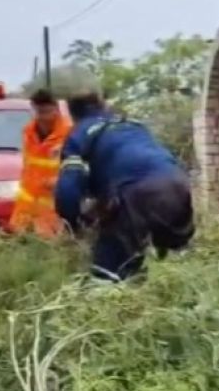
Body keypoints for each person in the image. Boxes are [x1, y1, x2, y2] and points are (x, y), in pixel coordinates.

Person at [53, 90, 195, 283]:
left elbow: (68, 190)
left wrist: (73, 222)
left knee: (107, 274)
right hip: (178, 183)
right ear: (103, 105)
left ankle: (105, 303)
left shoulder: (79, 134)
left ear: (71, 113)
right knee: (174, 264)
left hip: (136, 191)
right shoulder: (134, 126)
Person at [8, 89, 72, 238]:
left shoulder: (69, 133)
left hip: (54, 207)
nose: (44, 117)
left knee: (49, 250)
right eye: (39, 112)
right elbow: (28, 165)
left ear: (56, 109)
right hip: (26, 207)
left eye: (47, 112)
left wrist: (61, 181)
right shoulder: (28, 132)